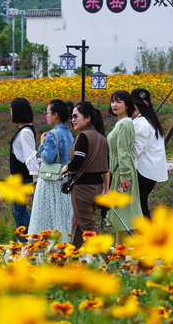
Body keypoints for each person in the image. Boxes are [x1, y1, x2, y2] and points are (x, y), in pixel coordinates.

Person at [61, 101, 109, 248]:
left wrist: (66, 168)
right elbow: (106, 168)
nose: (72, 120)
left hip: (82, 189)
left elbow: (77, 162)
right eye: (71, 117)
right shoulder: (102, 138)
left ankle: (111, 261)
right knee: (77, 225)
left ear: (87, 118)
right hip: (97, 188)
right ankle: (73, 259)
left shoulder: (84, 136)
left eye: (76, 116)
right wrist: (106, 190)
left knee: (89, 228)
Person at [27, 99, 74, 239]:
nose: (45, 116)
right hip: (65, 179)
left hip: (50, 181)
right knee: (62, 217)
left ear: (55, 115)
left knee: (44, 218)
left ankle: (37, 248)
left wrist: (41, 144)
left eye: (47, 113)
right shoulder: (69, 133)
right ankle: (64, 244)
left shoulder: (53, 134)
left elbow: (47, 158)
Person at [105, 90, 143, 245]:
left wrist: (125, 176)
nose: (114, 105)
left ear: (127, 105)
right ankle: (119, 249)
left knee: (126, 213)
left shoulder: (125, 125)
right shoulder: (121, 123)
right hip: (118, 172)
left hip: (122, 173)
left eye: (119, 102)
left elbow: (124, 152)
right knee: (121, 213)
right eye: (113, 101)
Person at [131, 87, 168, 219]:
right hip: (150, 171)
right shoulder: (151, 121)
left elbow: (136, 149)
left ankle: (146, 235)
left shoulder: (143, 123)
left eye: (134, 104)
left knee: (140, 206)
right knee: (140, 204)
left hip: (143, 170)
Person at [9, 97, 38, 231]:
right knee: (17, 213)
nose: (10, 112)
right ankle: (23, 242)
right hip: (17, 178)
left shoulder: (25, 132)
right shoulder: (24, 130)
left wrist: (35, 179)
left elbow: (30, 157)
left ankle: (41, 231)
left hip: (23, 178)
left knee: (20, 212)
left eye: (12, 109)